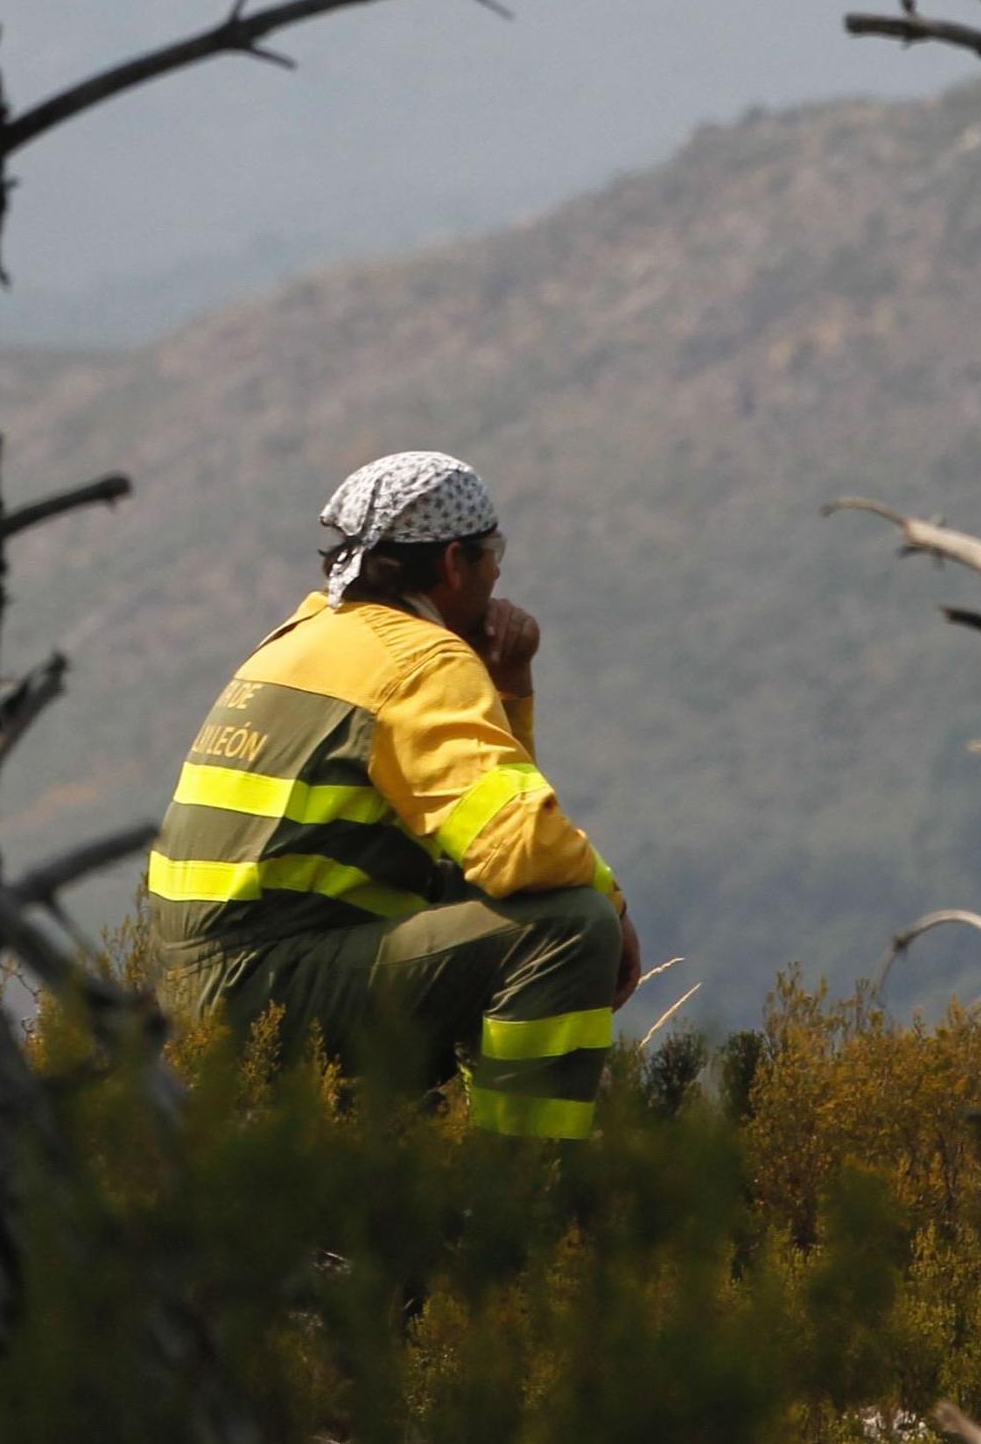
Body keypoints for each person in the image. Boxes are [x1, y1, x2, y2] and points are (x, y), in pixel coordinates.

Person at [144, 450, 641, 1137]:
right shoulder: (418, 661)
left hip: (200, 999)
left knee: (473, 889)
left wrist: (507, 686)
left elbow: (479, 831)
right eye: (493, 554)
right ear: (453, 563)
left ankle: (426, 1140)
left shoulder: (304, 638)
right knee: (573, 926)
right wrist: (614, 907)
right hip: (265, 994)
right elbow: (519, 848)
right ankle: (527, 1191)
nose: (500, 574)